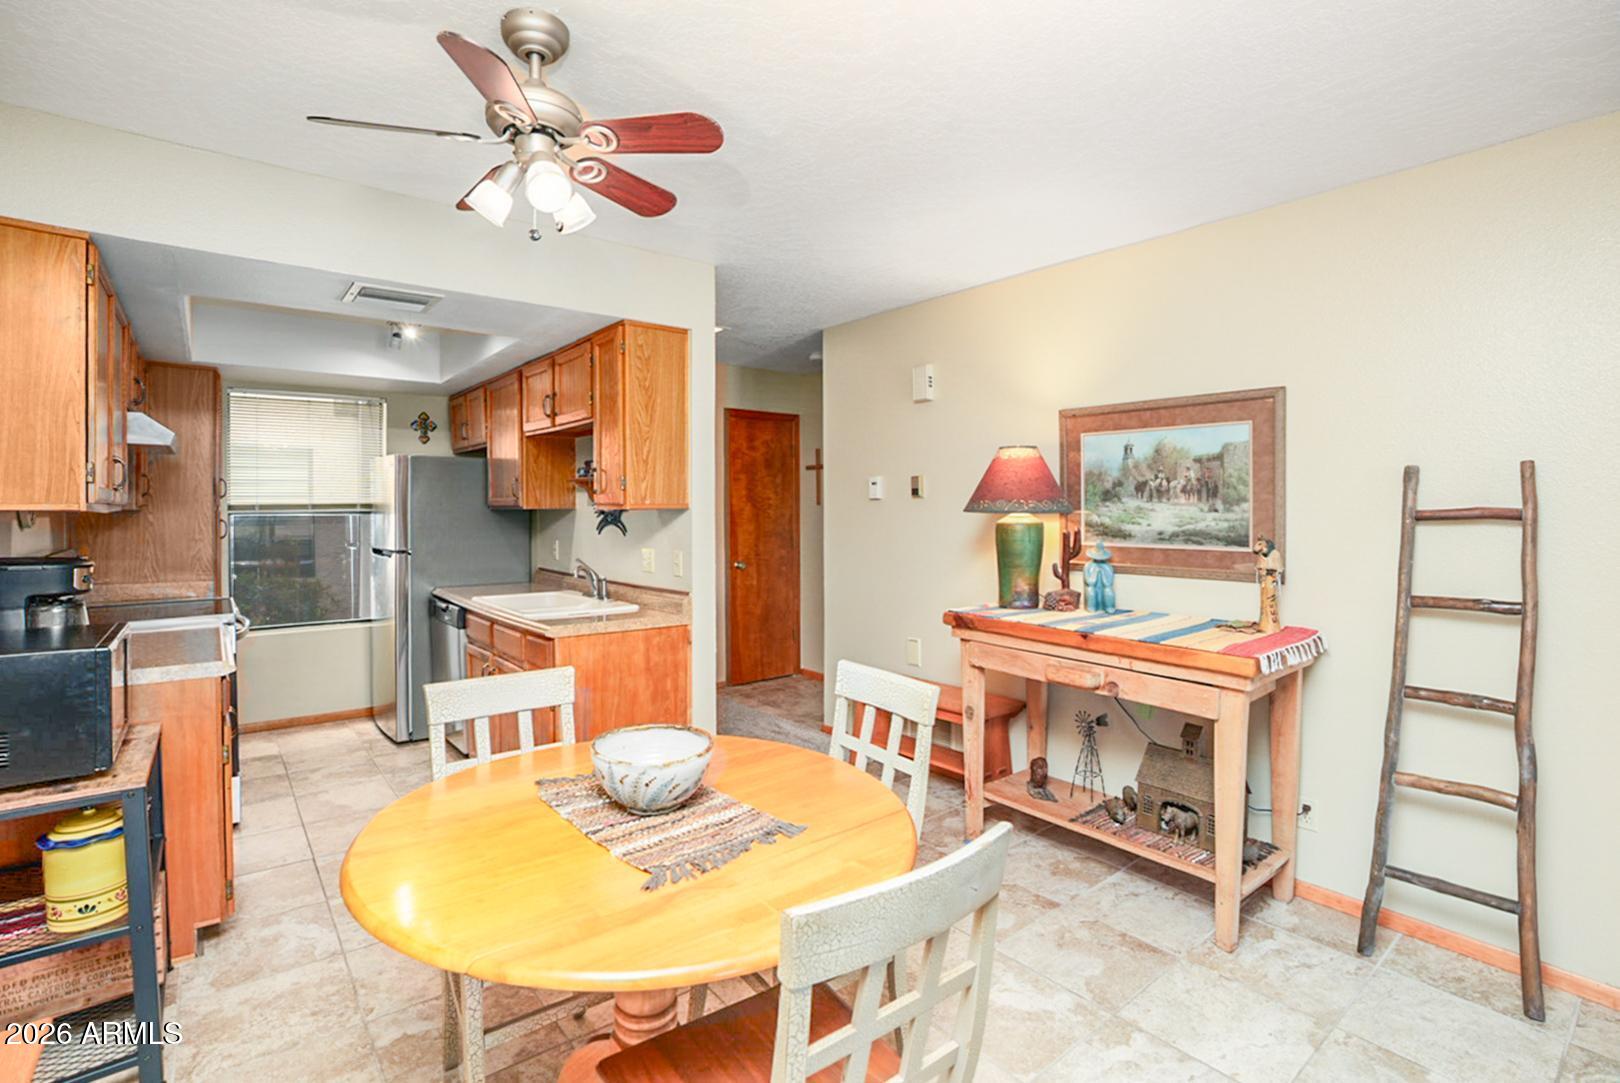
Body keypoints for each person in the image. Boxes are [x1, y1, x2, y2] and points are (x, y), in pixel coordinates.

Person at [1083, 541, 1117, 613]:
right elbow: (1089, 582)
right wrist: (1095, 573)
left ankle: (1108, 607)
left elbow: (1108, 583)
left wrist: (1103, 573)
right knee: (1091, 591)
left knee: (1108, 591)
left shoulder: (1108, 566)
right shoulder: (1088, 566)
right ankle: (1092, 607)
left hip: (1104, 587)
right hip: (1093, 587)